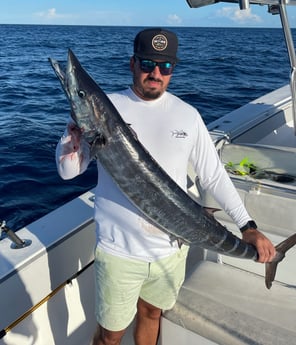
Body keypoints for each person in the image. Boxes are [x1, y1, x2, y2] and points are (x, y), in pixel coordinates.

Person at [56, 28, 276, 345]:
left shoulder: (187, 115)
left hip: (172, 250)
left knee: (152, 316)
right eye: (147, 63)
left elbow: (213, 175)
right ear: (132, 63)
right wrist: (72, 138)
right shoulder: (109, 107)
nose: (156, 73)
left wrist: (248, 226)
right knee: (109, 335)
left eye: (166, 66)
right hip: (120, 253)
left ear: (173, 68)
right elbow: (67, 172)